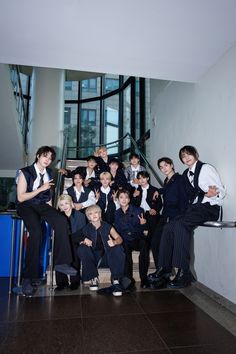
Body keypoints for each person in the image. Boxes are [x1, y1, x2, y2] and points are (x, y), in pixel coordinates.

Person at [154, 146, 226, 289]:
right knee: (169, 227)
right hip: (195, 208)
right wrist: (203, 195)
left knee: (181, 225)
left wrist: (213, 193)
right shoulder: (187, 173)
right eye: (183, 156)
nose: (186, 158)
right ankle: (163, 267)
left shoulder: (206, 168)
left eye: (188, 155)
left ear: (195, 154)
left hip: (209, 208)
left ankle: (184, 273)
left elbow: (220, 190)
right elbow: (191, 195)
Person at [16, 146, 77, 296]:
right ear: (37, 156)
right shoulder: (25, 172)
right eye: (45, 156)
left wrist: (51, 213)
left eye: (50, 158)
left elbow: (47, 196)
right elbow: (20, 197)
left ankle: (62, 262)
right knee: (36, 233)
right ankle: (28, 278)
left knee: (61, 221)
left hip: (42, 205)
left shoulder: (49, 172)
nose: (48, 160)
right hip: (26, 205)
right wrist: (39, 189)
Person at [148, 157, 188, 278]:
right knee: (155, 242)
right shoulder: (167, 180)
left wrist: (181, 216)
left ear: (171, 165)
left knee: (173, 244)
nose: (163, 168)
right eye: (161, 167)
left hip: (175, 216)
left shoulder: (180, 179)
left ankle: (168, 270)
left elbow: (183, 198)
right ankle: (162, 268)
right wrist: (159, 191)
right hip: (165, 215)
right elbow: (168, 189)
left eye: (165, 165)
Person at [77, 204, 126, 296]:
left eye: (96, 212)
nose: (94, 215)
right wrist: (83, 241)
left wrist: (114, 242)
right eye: (91, 214)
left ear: (100, 214)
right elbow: (77, 239)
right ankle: (94, 277)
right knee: (81, 248)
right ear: (88, 217)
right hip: (94, 258)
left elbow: (119, 238)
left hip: (108, 257)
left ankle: (116, 280)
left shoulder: (107, 226)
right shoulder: (86, 228)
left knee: (118, 248)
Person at [114, 189, 150, 288]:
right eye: (121, 197)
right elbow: (118, 229)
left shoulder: (138, 210)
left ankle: (144, 279)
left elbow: (144, 228)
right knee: (124, 249)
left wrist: (144, 224)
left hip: (137, 238)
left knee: (144, 244)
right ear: (117, 200)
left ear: (129, 199)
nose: (124, 199)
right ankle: (129, 280)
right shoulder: (117, 213)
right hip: (125, 239)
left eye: (126, 197)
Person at [56, 194, 86, 291]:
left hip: (75, 240)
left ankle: (74, 281)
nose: (64, 206)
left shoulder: (80, 216)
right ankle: (61, 282)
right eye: (61, 205)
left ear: (71, 203)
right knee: (60, 247)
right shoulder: (58, 217)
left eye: (66, 203)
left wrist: (68, 239)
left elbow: (81, 233)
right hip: (62, 241)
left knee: (73, 248)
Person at [132, 170, 162, 245]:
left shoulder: (154, 190)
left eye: (143, 178)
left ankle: (152, 244)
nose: (141, 180)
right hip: (140, 213)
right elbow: (133, 204)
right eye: (139, 178)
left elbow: (160, 203)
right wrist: (134, 196)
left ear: (147, 178)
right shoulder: (137, 190)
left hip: (150, 212)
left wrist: (155, 210)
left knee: (153, 223)